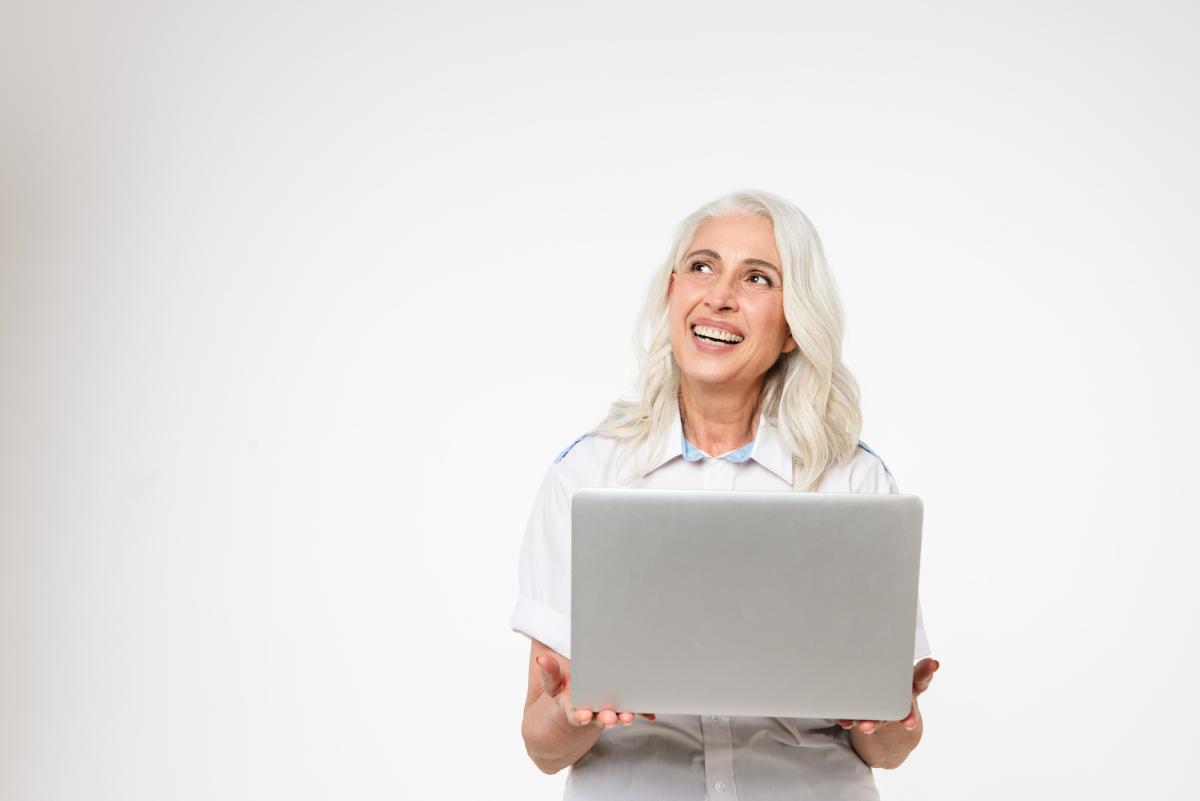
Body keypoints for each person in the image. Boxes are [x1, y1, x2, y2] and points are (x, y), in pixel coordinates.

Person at [510, 190, 939, 800]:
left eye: (757, 278)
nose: (719, 296)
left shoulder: (854, 482)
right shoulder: (585, 475)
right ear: (672, 293)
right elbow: (542, 748)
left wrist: (892, 719)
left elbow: (889, 752)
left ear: (792, 327)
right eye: (702, 266)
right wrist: (570, 713)